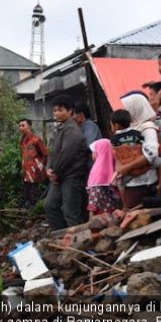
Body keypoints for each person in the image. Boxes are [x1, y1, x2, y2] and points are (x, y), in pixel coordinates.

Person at [44, 95, 89, 229]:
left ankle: (80, 242)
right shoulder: (60, 129)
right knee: (50, 206)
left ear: (70, 111)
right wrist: (48, 169)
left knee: (71, 212)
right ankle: (62, 236)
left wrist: (55, 172)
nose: (57, 113)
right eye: (55, 110)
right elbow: (52, 153)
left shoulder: (72, 130)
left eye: (61, 110)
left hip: (71, 176)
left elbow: (66, 155)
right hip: (58, 176)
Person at [115, 91, 160, 209]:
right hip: (131, 182)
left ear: (136, 108)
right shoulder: (130, 129)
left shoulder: (147, 127)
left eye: (128, 108)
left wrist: (126, 168)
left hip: (144, 182)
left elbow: (151, 153)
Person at [19, 118, 48, 209]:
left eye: (23, 125)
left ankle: (35, 211)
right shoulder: (22, 141)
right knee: (26, 191)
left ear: (29, 126)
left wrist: (40, 166)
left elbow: (45, 154)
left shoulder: (36, 140)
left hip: (34, 170)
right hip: (26, 170)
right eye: (19, 126)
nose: (21, 128)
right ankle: (29, 212)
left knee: (33, 192)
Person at [86, 139, 119, 216]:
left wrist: (91, 215)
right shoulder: (112, 168)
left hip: (99, 214)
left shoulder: (96, 171)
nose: (92, 155)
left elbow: (94, 193)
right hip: (111, 212)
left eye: (94, 152)